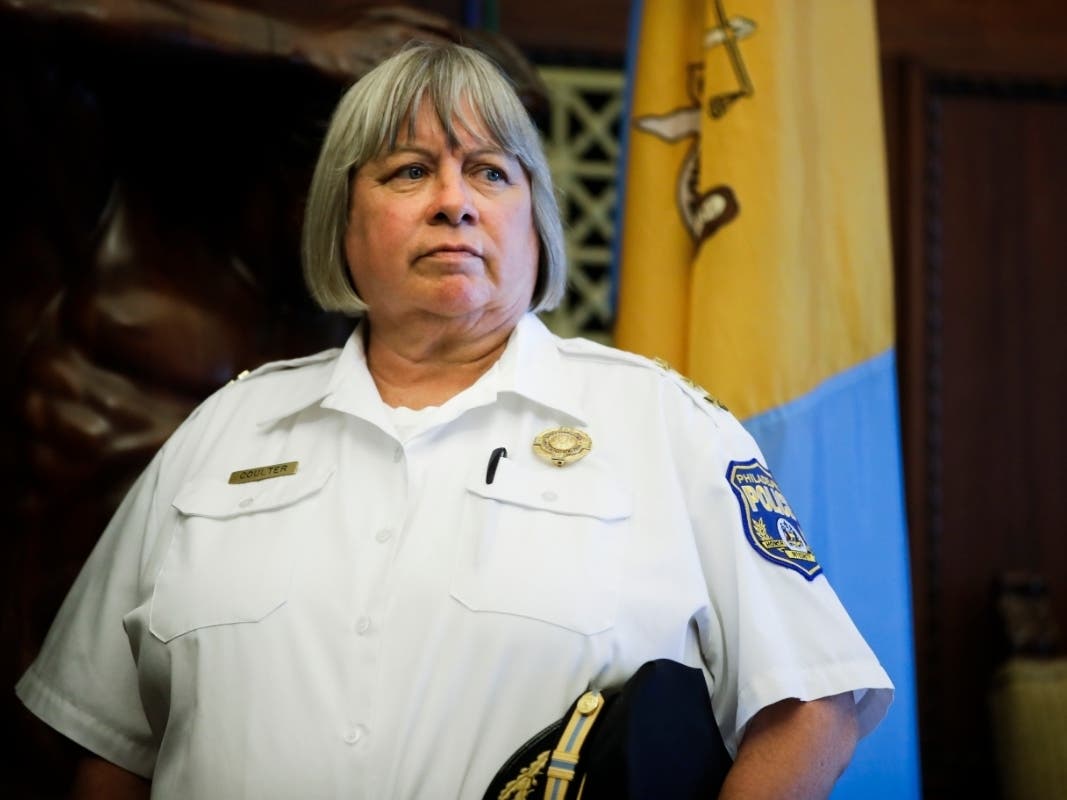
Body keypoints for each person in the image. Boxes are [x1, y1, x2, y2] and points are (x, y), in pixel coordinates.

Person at [15, 41, 893, 799]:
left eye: (489, 171)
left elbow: (815, 702)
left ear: (536, 227)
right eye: (407, 171)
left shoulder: (661, 424)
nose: (453, 201)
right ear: (343, 227)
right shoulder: (222, 431)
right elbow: (108, 744)